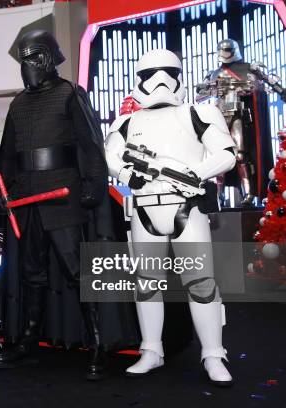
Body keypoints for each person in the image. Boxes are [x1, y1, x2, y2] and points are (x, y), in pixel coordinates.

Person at [105, 49, 236, 387]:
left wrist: (195, 173)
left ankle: (213, 353)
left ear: (179, 75)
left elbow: (226, 153)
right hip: (144, 208)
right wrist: (125, 173)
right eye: (151, 74)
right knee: (146, 283)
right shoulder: (127, 121)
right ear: (139, 79)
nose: (159, 81)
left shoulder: (197, 112)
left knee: (201, 283)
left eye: (167, 72)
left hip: (185, 207)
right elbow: (107, 156)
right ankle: (151, 350)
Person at [0, 30, 115, 381]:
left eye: (32, 58)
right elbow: (7, 155)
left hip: (62, 194)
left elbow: (91, 145)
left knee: (78, 271)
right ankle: (29, 338)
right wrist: (1, 192)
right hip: (26, 197)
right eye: (23, 60)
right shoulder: (18, 103)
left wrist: (94, 185)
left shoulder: (69, 94)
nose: (27, 66)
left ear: (47, 58)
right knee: (31, 273)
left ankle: (97, 342)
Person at [196, 39, 272, 207]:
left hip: (238, 114)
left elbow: (259, 87)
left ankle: (249, 194)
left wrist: (242, 87)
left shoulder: (247, 69)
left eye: (228, 50)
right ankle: (220, 195)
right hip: (219, 116)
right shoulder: (214, 73)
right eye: (222, 50)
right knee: (221, 155)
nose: (225, 53)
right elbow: (200, 96)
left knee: (241, 156)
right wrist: (213, 89)